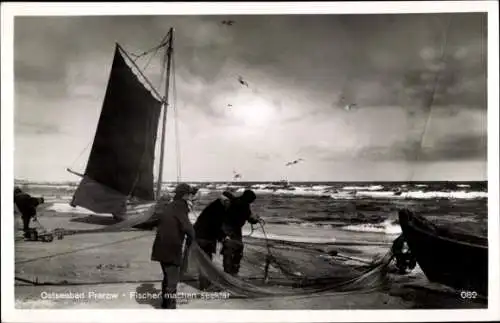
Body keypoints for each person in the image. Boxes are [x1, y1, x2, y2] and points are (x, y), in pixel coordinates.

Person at [150, 183, 198, 309]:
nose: (190, 197)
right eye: (189, 194)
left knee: (167, 276)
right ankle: (170, 308)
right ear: (185, 195)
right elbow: (188, 227)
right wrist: (192, 239)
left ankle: (165, 304)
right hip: (172, 248)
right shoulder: (180, 207)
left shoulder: (170, 205)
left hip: (161, 246)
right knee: (172, 280)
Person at [192, 192, 233, 290]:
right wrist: (223, 237)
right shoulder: (218, 209)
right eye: (229, 202)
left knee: (204, 261)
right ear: (224, 200)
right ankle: (205, 285)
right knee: (206, 261)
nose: (230, 204)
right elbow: (215, 226)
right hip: (204, 238)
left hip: (199, 236)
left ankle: (205, 284)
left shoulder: (214, 206)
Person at [220, 189, 262, 276]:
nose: (251, 202)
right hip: (232, 230)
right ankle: (233, 272)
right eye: (251, 200)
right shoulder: (245, 206)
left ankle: (227, 272)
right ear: (248, 199)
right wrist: (256, 220)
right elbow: (250, 219)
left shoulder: (235, 201)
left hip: (226, 228)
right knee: (237, 250)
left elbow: (225, 193)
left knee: (228, 251)